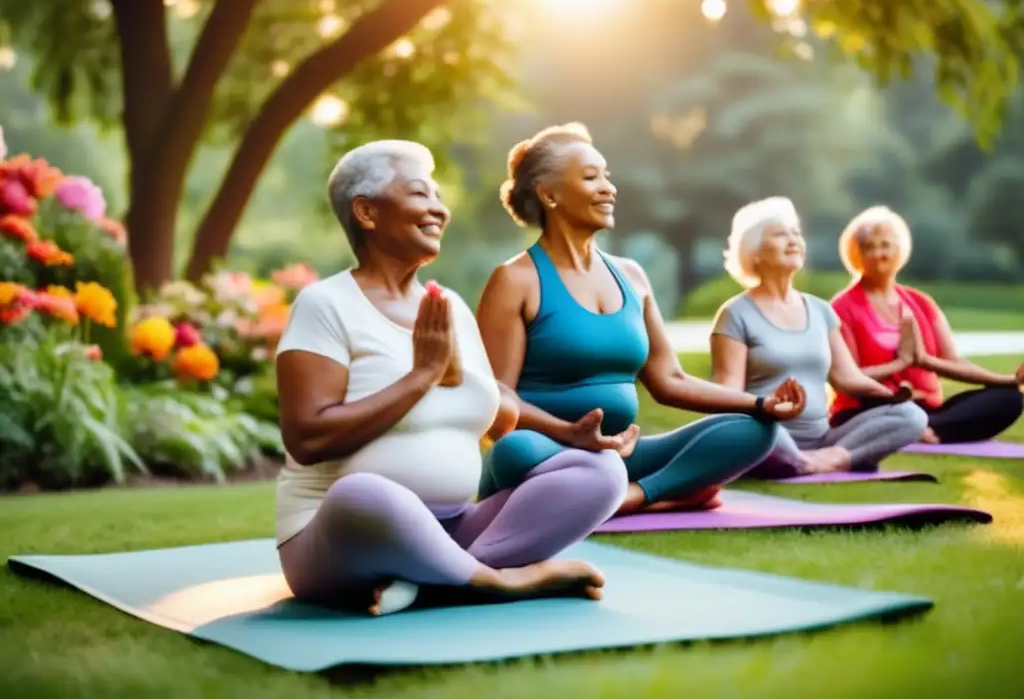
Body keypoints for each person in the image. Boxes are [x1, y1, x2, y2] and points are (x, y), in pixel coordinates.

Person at [274, 140, 629, 617]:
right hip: (341, 533)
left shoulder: (449, 307)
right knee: (365, 491)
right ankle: (497, 582)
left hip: (457, 524)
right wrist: (422, 375)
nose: (438, 209)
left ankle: (435, 579)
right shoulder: (326, 305)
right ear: (367, 212)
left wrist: (567, 433)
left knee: (602, 472)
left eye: (439, 197)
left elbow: (496, 407)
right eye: (421, 194)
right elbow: (308, 438)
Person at [475, 123, 807, 515]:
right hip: (547, 452)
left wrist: (760, 403)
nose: (608, 188)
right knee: (513, 450)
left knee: (754, 430)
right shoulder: (515, 280)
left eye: (607, 176)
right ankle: (665, 491)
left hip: (622, 452)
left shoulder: (632, 276)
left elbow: (671, 380)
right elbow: (499, 399)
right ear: (549, 194)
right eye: (590, 177)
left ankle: (630, 497)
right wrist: (569, 433)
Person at [709, 197, 929, 478]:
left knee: (912, 415)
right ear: (754, 253)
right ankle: (808, 461)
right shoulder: (735, 313)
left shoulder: (820, 310)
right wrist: (762, 415)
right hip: (768, 436)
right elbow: (727, 394)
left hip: (823, 438)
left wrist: (892, 396)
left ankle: (824, 460)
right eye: (780, 234)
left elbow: (847, 378)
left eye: (796, 234)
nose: (792, 240)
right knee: (749, 427)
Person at [830, 205, 1023, 443]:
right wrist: (899, 365)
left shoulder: (922, 303)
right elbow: (848, 379)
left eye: (886, 245)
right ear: (856, 254)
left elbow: (954, 361)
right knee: (880, 404)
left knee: (1010, 399)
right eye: (869, 247)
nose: (879, 254)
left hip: (926, 409)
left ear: (899, 250)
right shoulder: (841, 308)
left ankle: (922, 429)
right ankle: (911, 427)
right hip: (871, 405)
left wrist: (1009, 380)